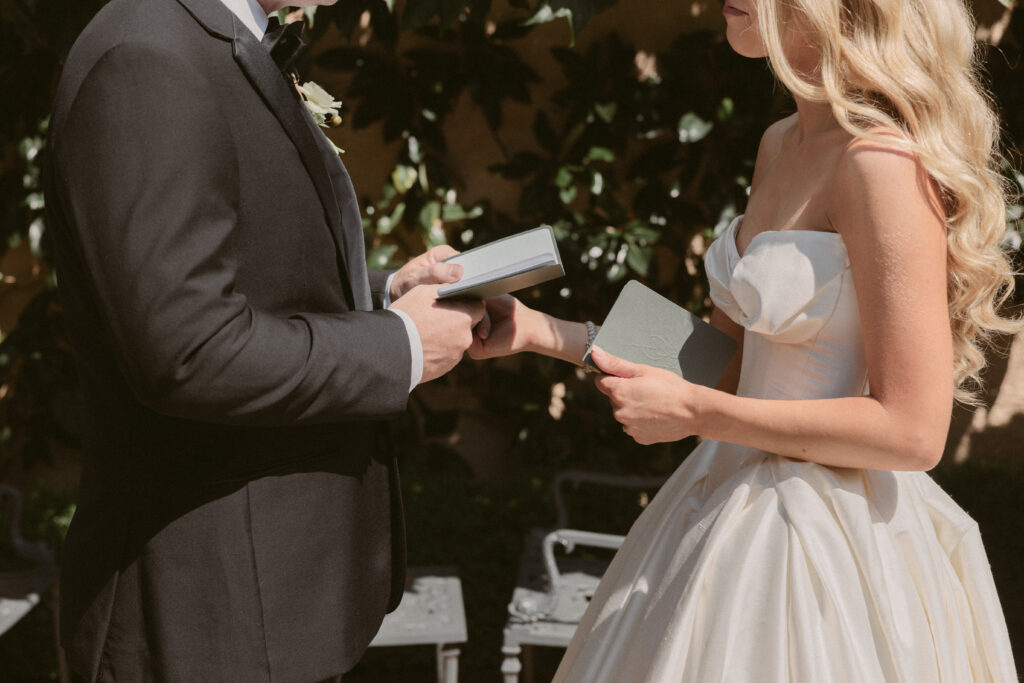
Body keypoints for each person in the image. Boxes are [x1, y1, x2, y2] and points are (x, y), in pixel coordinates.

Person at [471, 0, 1020, 679]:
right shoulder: (780, 141)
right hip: (722, 504)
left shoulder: (881, 163)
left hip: (825, 548)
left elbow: (913, 430)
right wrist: (542, 331)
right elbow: (720, 359)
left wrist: (699, 415)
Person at [43, 0, 485, 680]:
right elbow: (188, 348)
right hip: (202, 613)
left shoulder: (209, 37)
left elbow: (251, 274)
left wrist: (383, 293)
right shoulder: (146, 58)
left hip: (265, 607)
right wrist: (400, 346)